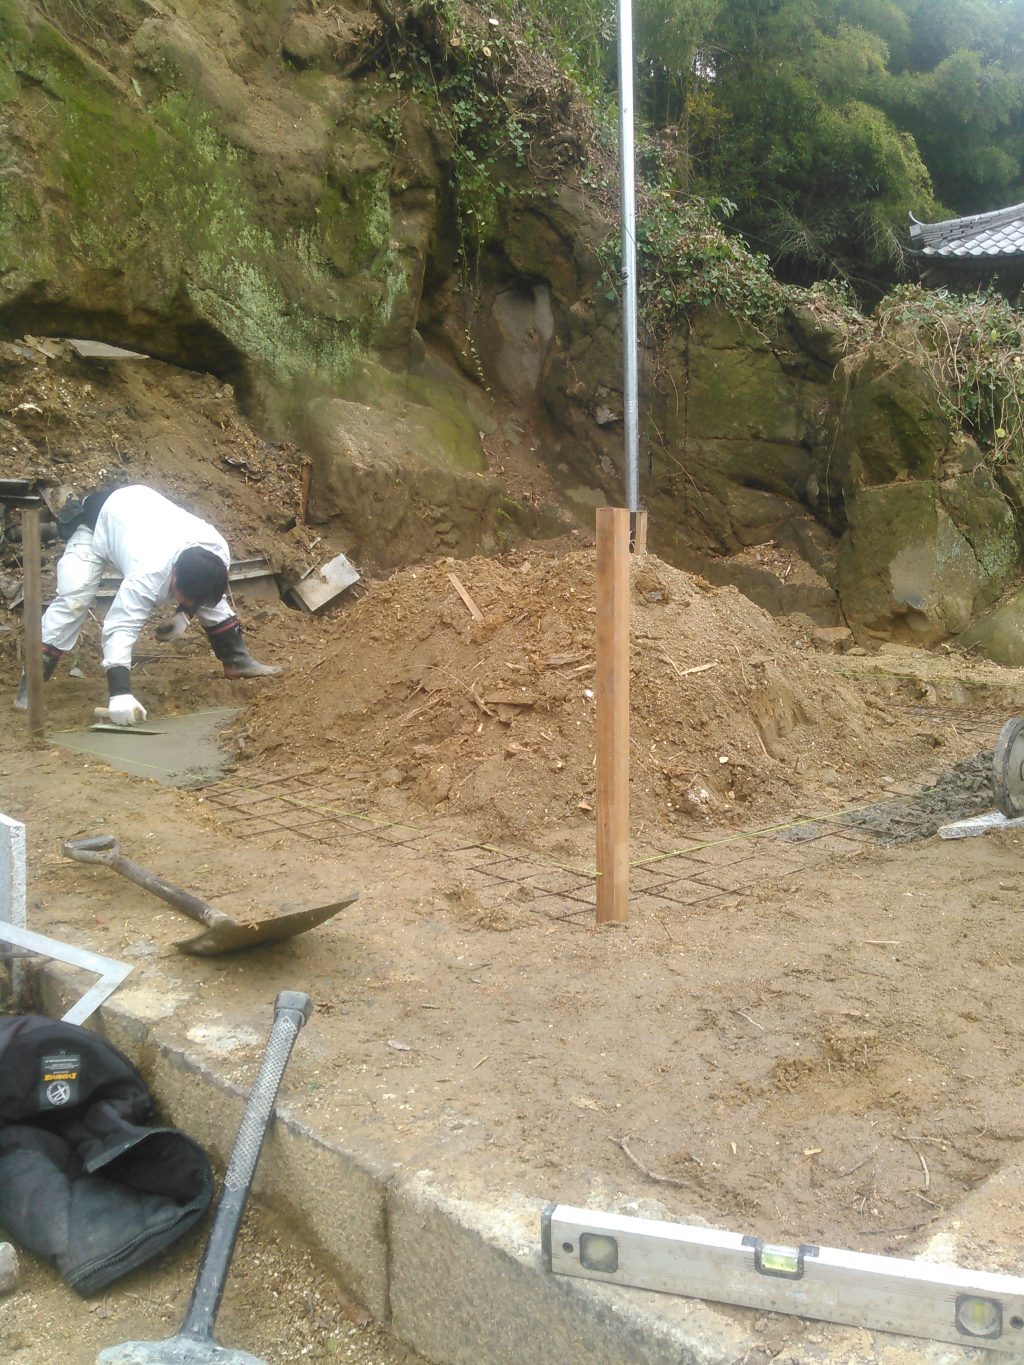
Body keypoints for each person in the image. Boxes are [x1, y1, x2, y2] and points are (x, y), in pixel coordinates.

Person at [13, 484, 281, 725]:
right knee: (74, 599)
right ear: (173, 575)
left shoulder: (216, 551)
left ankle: (237, 661)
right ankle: (31, 685)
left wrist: (185, 613)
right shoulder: (148, 571)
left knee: (209, 596)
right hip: (98, 523)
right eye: (183, 597)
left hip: (142, 511)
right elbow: (121, 626)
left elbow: (203, 592)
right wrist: (120, 693)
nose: (188, 603)